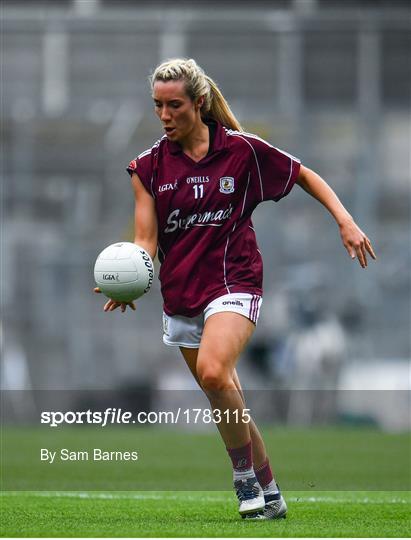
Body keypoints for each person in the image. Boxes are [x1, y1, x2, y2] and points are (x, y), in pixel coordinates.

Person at [94, 58, 376, 520]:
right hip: (180, 294)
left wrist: (344, 221)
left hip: (235, 282)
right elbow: (145, 239)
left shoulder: (241, 151)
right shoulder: (147, 167)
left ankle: (243, 477)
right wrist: (130, 278)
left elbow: (304, 174)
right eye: (157, 106)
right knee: (226, 393)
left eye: (175, 106)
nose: (164, 115)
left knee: (212, 372)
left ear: (199, 103)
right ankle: (271, 493)